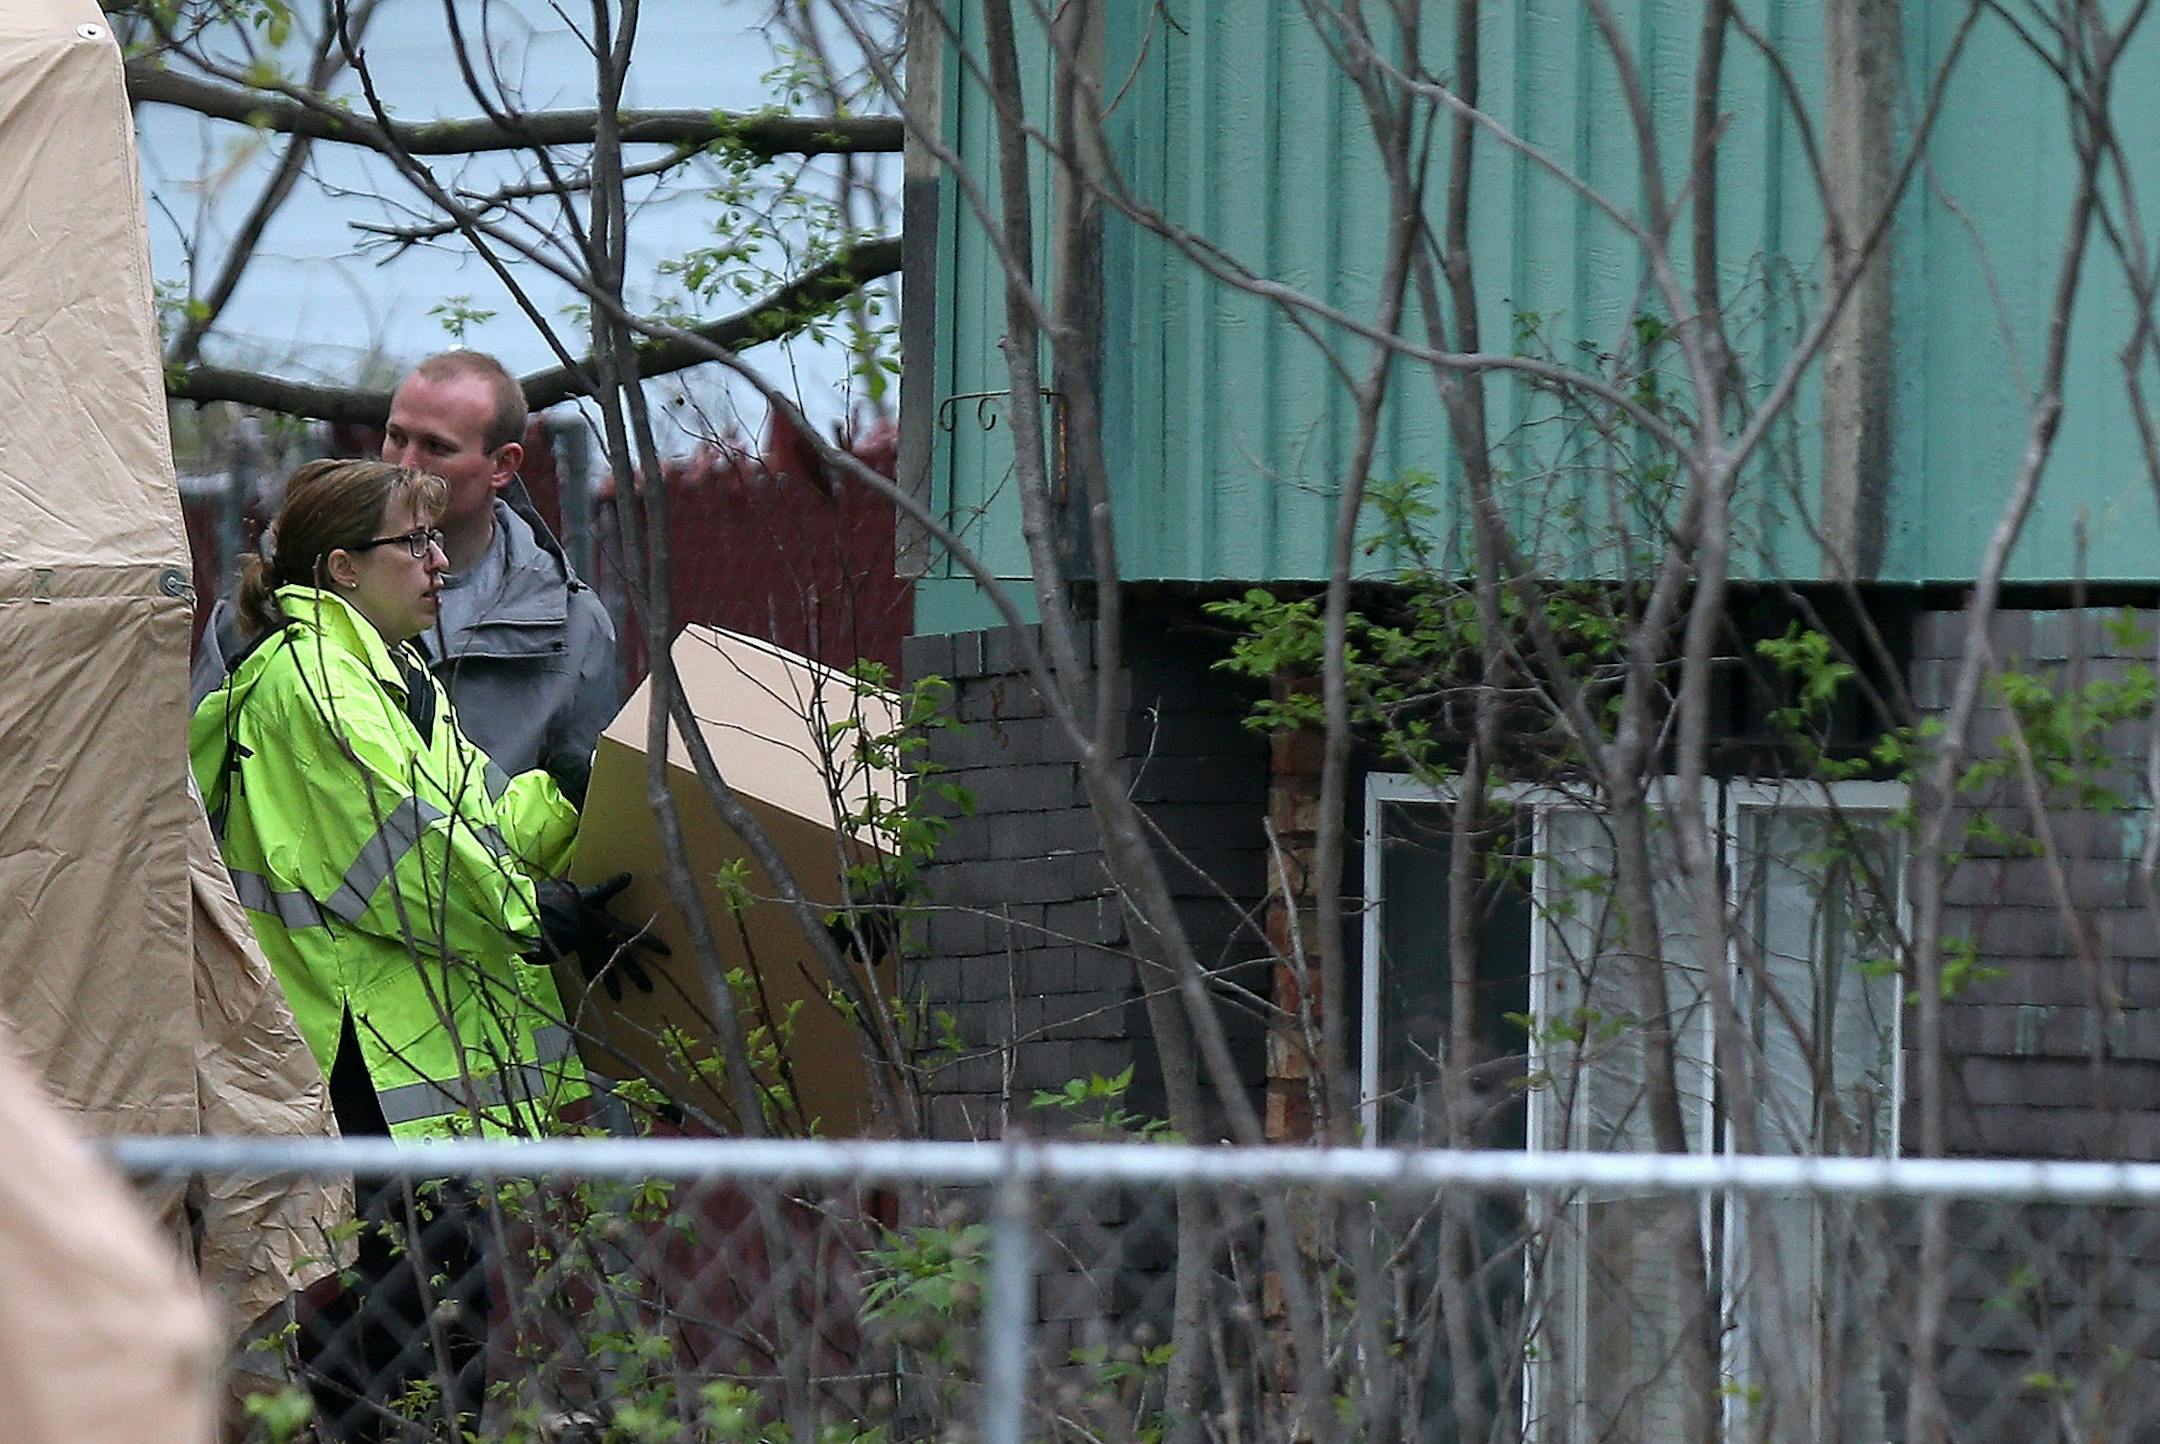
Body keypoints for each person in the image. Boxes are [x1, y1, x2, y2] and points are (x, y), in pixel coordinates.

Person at [189, 457, 655, 1439]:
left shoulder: (393, 680)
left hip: (408, 1052)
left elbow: (470, 823)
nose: (440, 561)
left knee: (438, 1324)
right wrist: (536, 911)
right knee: (398, 1335)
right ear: (346, 567)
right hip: (354, 1054)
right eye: (417, 542)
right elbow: (411, 862)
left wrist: (564, 795)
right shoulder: (313, 685)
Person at [193, 351, 617, 803]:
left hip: (493, 869)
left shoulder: (571, 625)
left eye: (436, 447)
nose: (406, 463)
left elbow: (588, 812)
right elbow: (190, 779)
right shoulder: (280, 593)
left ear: (503, 465)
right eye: (395, 437)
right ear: (342, 569)